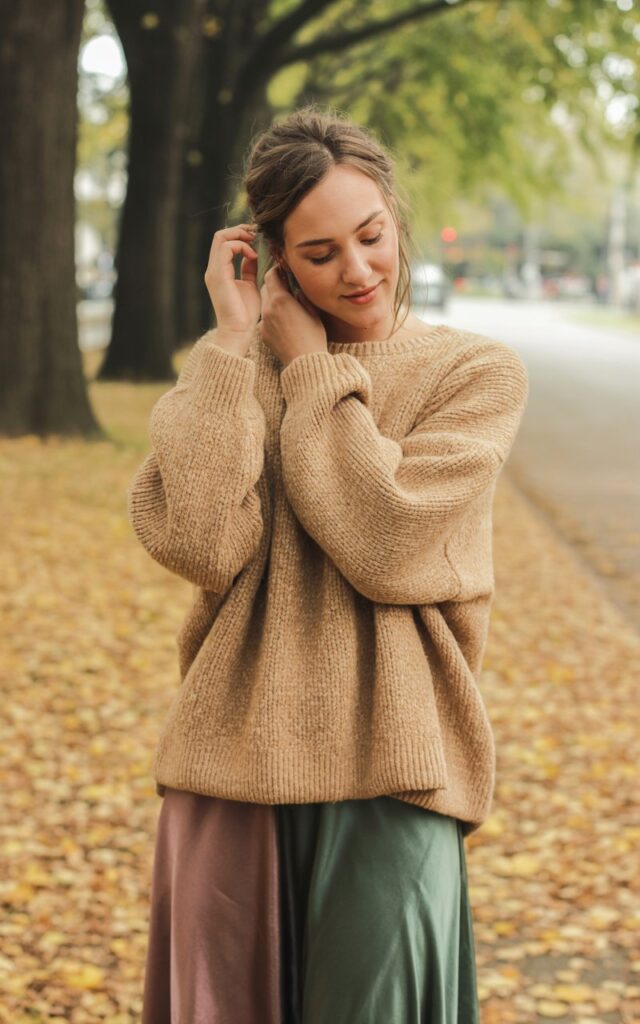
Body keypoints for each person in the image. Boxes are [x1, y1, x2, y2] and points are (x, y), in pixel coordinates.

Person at [126, 105, 529, 1023]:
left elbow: (386, 540)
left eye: (371, 236)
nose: (357, 271)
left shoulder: (475, 374)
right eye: (319, 254)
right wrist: (232, 347)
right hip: (232, 766)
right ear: (271, 260)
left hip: (398, 767)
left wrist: (314, 372)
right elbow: (196, 541)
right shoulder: (237, 374)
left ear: (394, 213)